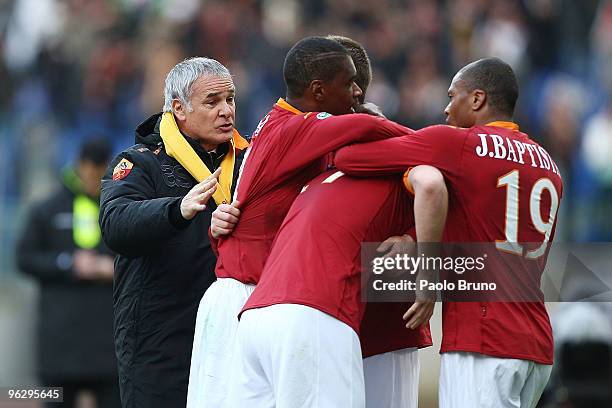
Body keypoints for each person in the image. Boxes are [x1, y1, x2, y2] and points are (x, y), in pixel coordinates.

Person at [186, 36, 414, 407]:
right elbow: (374, 136)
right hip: (259, 296)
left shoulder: (287, 131)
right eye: (350, 87)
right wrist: (456, 146)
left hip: (276, 301)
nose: (356, 95)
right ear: (321, 91)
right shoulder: (301, 130)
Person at [335, 57, 563, 408]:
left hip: (484, 339)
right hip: (536, 341)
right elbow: (485, 218)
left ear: (477, 99)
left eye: (451, 95)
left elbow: (350, 158)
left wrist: (412, 172)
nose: (444, 109)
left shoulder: (458, 145)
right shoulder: (549, 164)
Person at [228, 161, 446, 407]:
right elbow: (433, 187)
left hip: (258, 316)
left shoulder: (317, 177)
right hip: (327, 316)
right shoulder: (405, 169)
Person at [98, 57, 248, 408]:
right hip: (160, 338)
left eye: (230, 99)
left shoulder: (247, 161)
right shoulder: (140, 162)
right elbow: (115, 224)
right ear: (179, 108)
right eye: (212, 102)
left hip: (233, 333)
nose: (226, 111)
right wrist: (176, 210)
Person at [17, 137, 120, 408]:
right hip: (59, 349)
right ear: (79, 165)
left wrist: (116, 268)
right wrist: (67, 263)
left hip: (108, 348)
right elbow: (24, 258)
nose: (93, 178)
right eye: (90, 169)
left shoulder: (121, 208)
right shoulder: (47, 210)